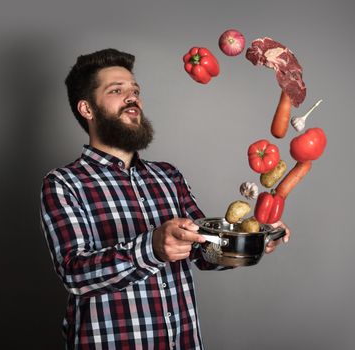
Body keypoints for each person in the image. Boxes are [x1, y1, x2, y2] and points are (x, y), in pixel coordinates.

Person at [40, 48, 291, 349]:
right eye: (117, 91)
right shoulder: (64, 183)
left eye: (135, 90)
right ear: (87, 109)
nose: (132, 98)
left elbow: (205, 250)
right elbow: (75, 273)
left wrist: (255, 239)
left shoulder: (168, 176)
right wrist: (153, 247)